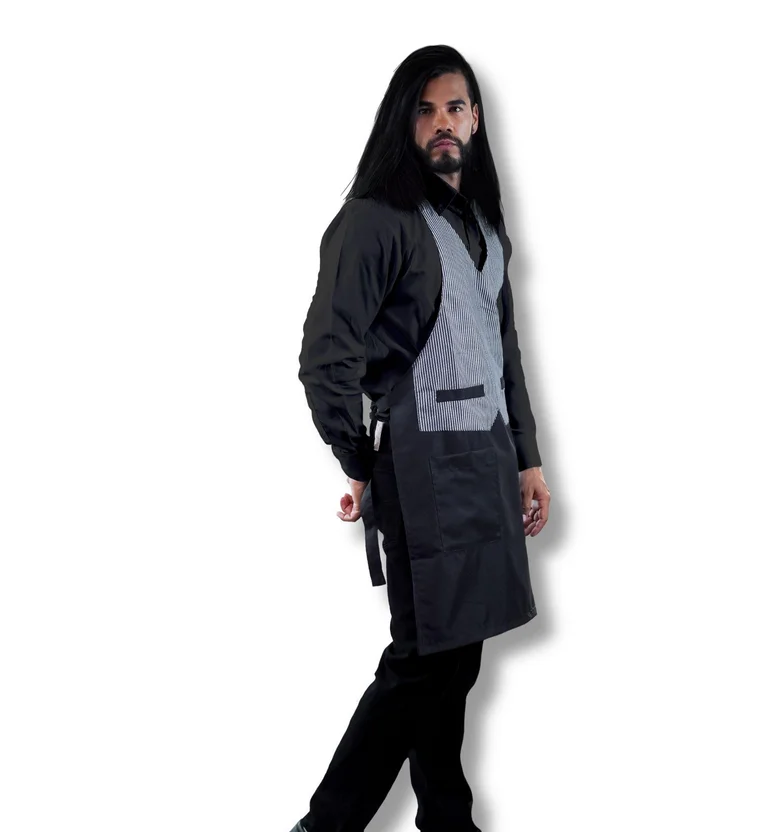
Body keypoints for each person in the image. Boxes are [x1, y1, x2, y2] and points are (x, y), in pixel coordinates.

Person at [293, 44, 550, 832]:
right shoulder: (374, 222)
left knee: (457, 657)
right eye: (426, 109)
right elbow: (325, 361)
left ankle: (445, 818)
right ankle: (325, 826)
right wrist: (362, 459)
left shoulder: (484, 226)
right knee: (422, 661)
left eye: (456, 107)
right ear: (402, 123)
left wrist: (529, 459)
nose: (443, 122)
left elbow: (502, 351)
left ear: (476, 119)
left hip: (487, 464)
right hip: (423, 472)